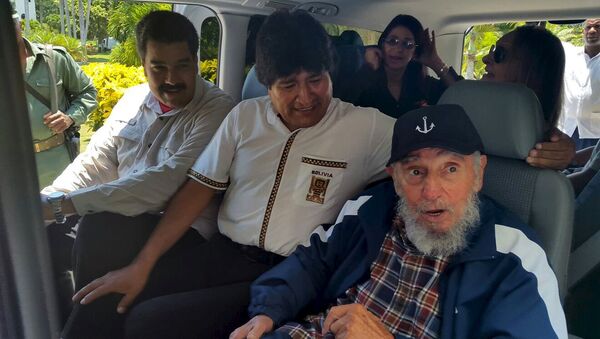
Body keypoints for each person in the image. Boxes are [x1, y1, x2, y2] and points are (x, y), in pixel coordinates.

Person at [64, 9, 394, 339]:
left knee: (148, 322)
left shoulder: (366, 128)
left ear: (330, 73)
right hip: (221, 253)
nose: (305, 97)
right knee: (114, 293)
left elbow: (432, 148)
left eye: (316, 80)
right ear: (266, 85)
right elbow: (197, 190)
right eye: (289, 85)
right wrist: (142, 264)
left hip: (287, 275)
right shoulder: (244, 117)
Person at [231, 104, 567, 339]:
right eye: (415, 171)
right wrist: (268, 310)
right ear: (394, 177)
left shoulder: (517, 257)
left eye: (451, 169)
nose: (431, 191)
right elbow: (313, 261)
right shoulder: (371, 208)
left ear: (478, 174)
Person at [38, 10, 235, 333]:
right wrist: (48, 202)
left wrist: (64, 206)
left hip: (179, 230)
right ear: (143, 65)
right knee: (44, 238)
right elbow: (97, 160)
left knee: (99, 228)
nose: (171, 79)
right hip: (120, 216)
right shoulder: (132, 100)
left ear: (196, 61)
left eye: (182, 65)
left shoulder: (218, 110)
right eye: (159, 67)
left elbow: (165, 182)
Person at [14, 15, 98, 188]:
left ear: (19, 26)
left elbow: (88, 92)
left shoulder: (53, 58)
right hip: (10, 168)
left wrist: (69, 117)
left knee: (61, 213)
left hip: (56, 165)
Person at [480, 24, 575, 170]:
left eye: (499, 53)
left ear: (532, 69)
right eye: (492, 51)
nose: (485, 59)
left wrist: (561, 150)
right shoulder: (468, 107)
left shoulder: (541, 144)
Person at [340, 14, 460, 119]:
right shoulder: (364, 78)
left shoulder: (422, 84)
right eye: (392, 41)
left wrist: (435, 62)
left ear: (414, 52)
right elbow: (341, 105)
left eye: (407, 44)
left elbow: (463, 96)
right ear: (382, 44)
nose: (398, 49)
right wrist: (366, 69)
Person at [559, 18, 600, 151]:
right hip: (565, 130)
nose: (592, 31)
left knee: (592, 170)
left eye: (598, 27)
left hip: (595, 133)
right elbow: (541, 40)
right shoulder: (568, 53)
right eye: (588, 27)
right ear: (583, 31)